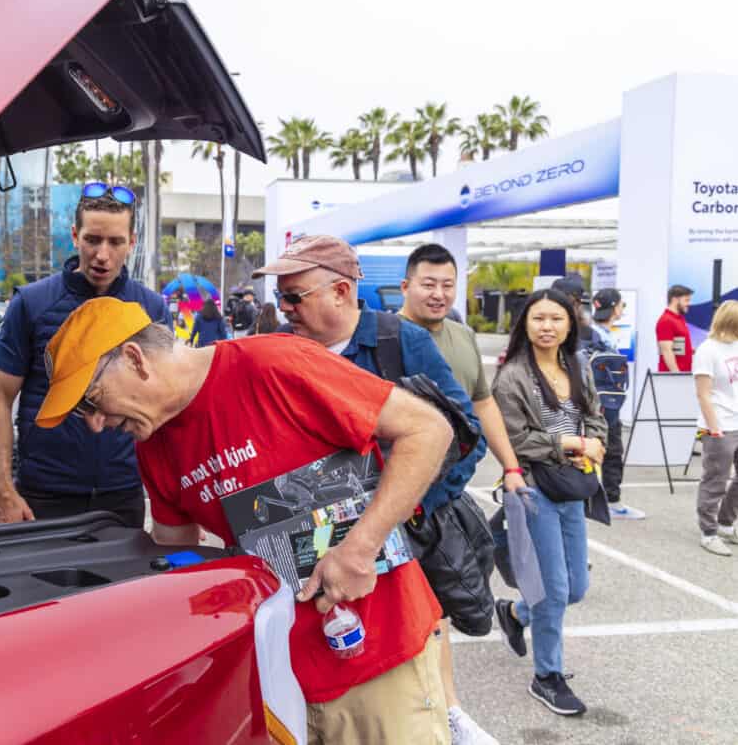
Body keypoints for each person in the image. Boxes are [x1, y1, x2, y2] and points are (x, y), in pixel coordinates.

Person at [37, 297, 454, 744]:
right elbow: (180, 557)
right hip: (275, 679)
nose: (97, 425)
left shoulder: (272, 365)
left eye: (93, 402)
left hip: (376, 654)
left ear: (135, 359)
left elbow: (428, 429)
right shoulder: (153, 446)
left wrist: (360, 546)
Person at [255, 235, 494, 745]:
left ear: (341, 291)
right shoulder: (279, 349)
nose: (285, 309)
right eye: (281, 299)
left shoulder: (398, 341)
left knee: (416, 632)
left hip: (397, 531)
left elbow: (463, 433)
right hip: (317, 536)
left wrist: (408, 509)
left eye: (295, 297)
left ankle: (441, 710)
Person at [397, 243, 540, 744]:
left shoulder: (460, 335)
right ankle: (424, 710)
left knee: (438, 608)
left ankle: (448, 710)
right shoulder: (387, 339)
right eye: (428, 284)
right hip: (398, 503)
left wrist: (512, 466)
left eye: (447, 285)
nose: (438, 294)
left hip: (447, 499)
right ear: (406, 287)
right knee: (408, 610)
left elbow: (483, 404)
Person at [0, 183, 168, 528]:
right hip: (45, 495)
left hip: (122, 493)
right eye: (92, 239)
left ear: (132, 242)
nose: (102, 254)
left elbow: (166, 408)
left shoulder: (151, 308)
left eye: (115, 242)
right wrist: (3, 491)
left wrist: (178, 499)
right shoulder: (32, 303)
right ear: (74, 236)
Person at [492, 289, 607, 717]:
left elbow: (595, 414)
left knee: (576, 587)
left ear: (570, 324)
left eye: (556, 319)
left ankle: (517, 613)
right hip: (534, 489)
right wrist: (570, 443)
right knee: (554, 590)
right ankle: (547, 676)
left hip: (573, 485)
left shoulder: (576, 365)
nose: (547, 326)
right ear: (525, 323)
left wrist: (596, 443)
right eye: (538, 318)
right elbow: (514, 438)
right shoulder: (512, 376)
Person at [589, 288, 644, 520]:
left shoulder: (595, 333)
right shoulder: (597, 336)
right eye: (621, 306)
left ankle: (600, 498)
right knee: (611, 448)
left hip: (599, 402)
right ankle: (612, 500)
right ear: (613, 307)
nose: (622, 311)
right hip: (602, 403)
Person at [691, 300, 738, 556]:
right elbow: (703, 394)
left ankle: (725, 522)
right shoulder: (708, 350)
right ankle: (708, 533)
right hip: (719, 425)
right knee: (715, 480)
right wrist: (714, 428)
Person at [657, 284, 694, 372]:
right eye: (686, 300)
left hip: (684, 375)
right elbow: (667, 351)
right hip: (673, 380)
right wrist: (677, 375)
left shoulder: (679, 319)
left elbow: (677, 347)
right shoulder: (666, 321)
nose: (689, 304)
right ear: (674, 300)